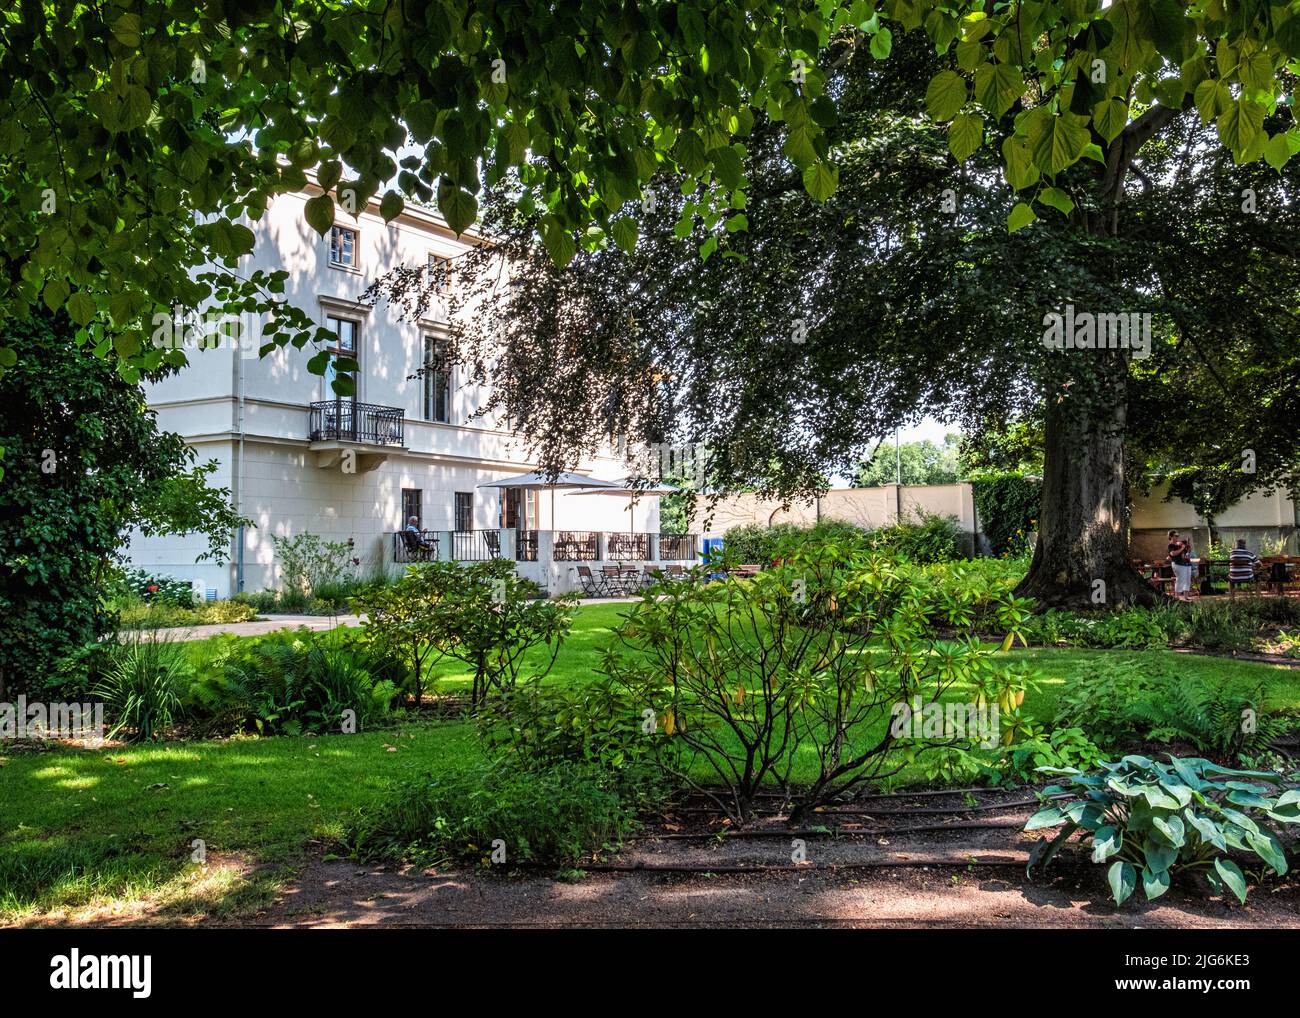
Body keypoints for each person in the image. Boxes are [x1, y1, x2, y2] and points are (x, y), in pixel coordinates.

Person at [1167, 529, 1194, 602]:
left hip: (1186, 564)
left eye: (1178, 536)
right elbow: (1172, 554)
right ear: (1171, 536)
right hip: (1178, 564)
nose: (1177, 537)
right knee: (1180, 580)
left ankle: (1186, 597)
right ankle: (1177, 598)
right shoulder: (1171, 545)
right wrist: (1182, 548)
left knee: (1187, 580)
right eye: (1176, 536)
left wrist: (1187, 545)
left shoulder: (1179, 544)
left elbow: (1188, 551)